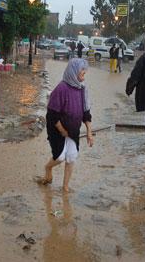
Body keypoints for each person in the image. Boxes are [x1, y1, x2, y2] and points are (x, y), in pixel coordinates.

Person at [37, 58, 94, 192]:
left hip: (73, 130)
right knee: (60, 157)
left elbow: (86, 113)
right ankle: (48, 167)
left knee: (72, 156)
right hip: (57, 129)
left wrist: (89, 132)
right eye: (82, 71)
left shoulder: (82, 89)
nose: (84, 74)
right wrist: (62, 130)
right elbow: (52, 114)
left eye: (85, 72)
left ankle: (65, 187)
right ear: (73, 71)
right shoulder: (61, 88)